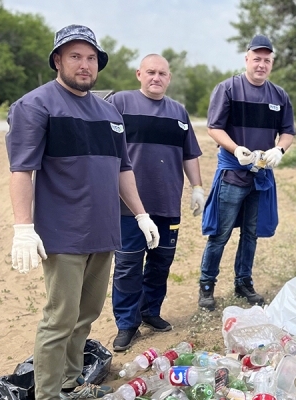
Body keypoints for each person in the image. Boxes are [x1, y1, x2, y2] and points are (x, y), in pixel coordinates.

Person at [5, 25, 159, 400]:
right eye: (75, 56)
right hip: (63, 234)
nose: (84, 64)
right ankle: (47, 393)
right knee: (59, 319)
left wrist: (141, 214)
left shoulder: (110, 113)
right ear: (58, 60)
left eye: (91, 58)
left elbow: (123, 168)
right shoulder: (35, 105)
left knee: (86, 316)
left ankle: (72, 382)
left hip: (104, 232)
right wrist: (23, 227)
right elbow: (21, 170)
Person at [107, 54, 204, 351]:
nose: (156, 78)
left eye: (162, 73)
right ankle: (126, 323)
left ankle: (150, 311)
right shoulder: (119, 104)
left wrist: (197, 187)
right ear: (139, 74)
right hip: (129, 206)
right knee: (127, 265)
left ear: (169, 77)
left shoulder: (178, 112)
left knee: (161, 262)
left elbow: (190, 154)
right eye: (150, 72)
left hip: (167, 203)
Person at [198, 34, 295, 311]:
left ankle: (243, 282)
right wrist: (236, 148)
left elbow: (288, 132)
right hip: (233, 174)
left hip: (261, 176)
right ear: (247, 59)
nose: (261, 65)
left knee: (250, 233)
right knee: (221, 232)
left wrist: (280, 150)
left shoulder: (279, 96)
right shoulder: (228, 88)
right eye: (256, 59)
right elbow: (214, 127)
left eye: (267, 60)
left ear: (271, 62)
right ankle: (207, 285)